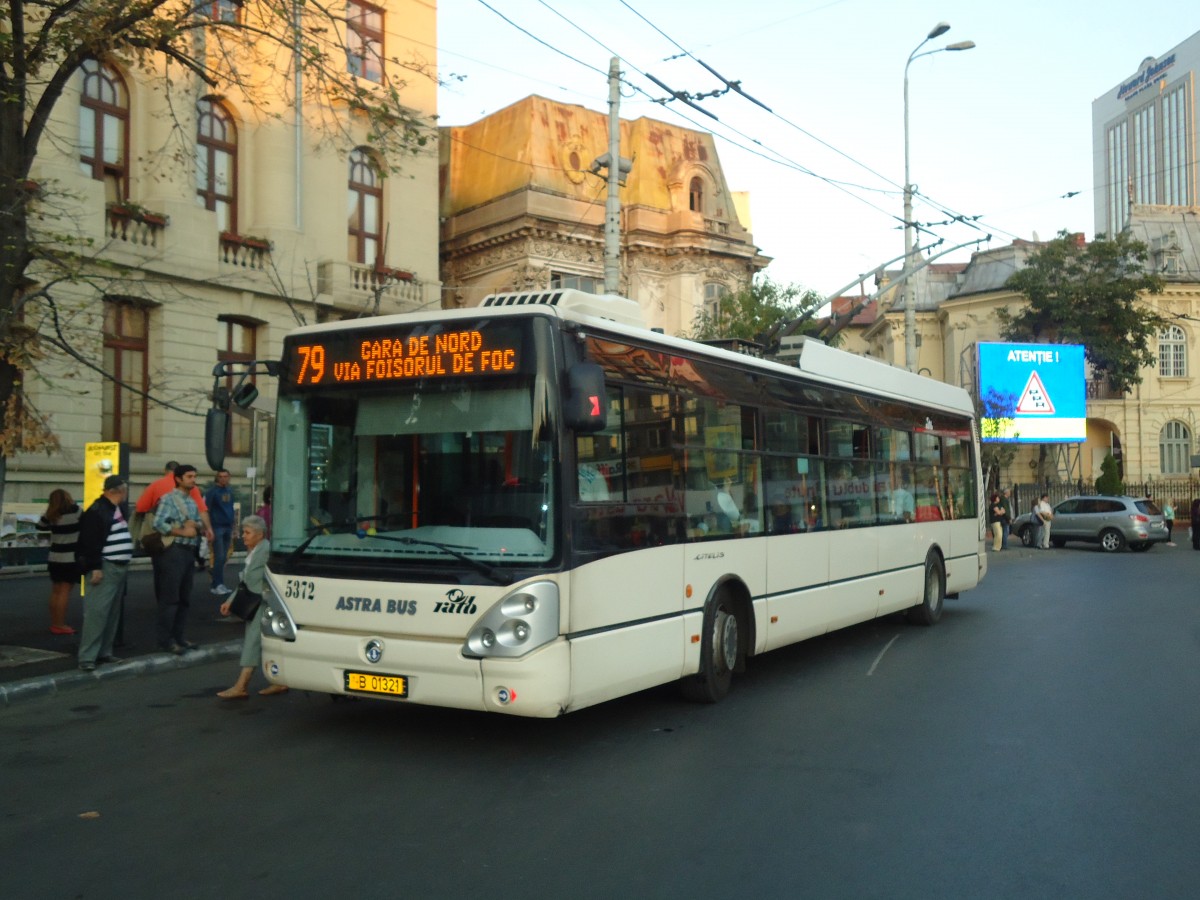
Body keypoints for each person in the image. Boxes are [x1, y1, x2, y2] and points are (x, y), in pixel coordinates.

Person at [216, 515, 287, 699]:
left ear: (260, 534)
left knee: (253, 642)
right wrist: (230, 601)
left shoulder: (265, 550)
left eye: (247, 533)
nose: (243, 537)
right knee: (268, 641)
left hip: (262, 603)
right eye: (243, 532)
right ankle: (279, 681)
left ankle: (241, 686)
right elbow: (245, 582)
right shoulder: (256, 550)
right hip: (257, 601)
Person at [75, 476, 133, 671]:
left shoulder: (113, 509)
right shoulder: (98, 510)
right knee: (97, 613)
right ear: (117, 490)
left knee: (111, 612)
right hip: (105, 566)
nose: (126, 493)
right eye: (124, 490)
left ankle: (104, 652)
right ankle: (88, 657)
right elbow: (89, 541)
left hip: (117, 566)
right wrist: (95, 566)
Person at [150, 464, 205, 653]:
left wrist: (195, 526)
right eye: (189, 476)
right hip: (173, 551)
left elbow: (198, 523)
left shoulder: (191, 501)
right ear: (179, 479)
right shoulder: (168, 499)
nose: (193, 480)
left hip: (188, 551)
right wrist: (182, 530)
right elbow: (158, 523)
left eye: (194, 476)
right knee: (170, 598)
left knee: (184, 598)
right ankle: (166, 640)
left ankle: (179, 637)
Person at [38, 489, 83, 635]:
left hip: (55, 557)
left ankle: (55, 622)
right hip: (70, 557)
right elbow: (87, 524)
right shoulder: (76, 511)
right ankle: (60, 624)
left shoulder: (51, 515)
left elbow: (40, 526)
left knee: (56, 591)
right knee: (64, 591)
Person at [204, 469, 236, 595]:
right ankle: (217, 584)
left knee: (223, 558)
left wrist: (234, 527)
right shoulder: (212, 492)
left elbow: (231, 509)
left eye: (226, 476)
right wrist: (208, 528)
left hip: (227, 526)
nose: (223, 479)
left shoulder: (229, 491)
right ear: (217, 478)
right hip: (217, 527)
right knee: (219, 557)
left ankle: (218, 583)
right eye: (221, 476)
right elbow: (206, 509)